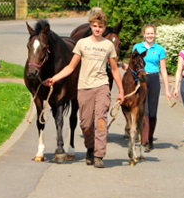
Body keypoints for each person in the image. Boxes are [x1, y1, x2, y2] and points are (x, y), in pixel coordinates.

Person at [44, 11, 124, 168]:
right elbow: (71, 66)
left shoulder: (108, 45)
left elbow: (114, 69)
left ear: (104, 28)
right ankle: (90, 148)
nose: (97, 29)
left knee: (100, 120)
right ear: (91, 27)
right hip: (84, 88)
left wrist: (121, 91)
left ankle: (99, 155)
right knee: (86, 125)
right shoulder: (82, 43)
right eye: (94, 26)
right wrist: (55, 78)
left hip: (102, 86)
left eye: (100, 26)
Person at [132, 24, 171, 152]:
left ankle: (150, 137)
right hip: (141, 79)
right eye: (147, 33)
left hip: (154, 79)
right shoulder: (137, 47)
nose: (150, 35)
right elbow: (133, 65)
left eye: (152, 33)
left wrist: (167, 89)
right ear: (144, 34)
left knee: (153, 113)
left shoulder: (159, 49)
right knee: (145, 112)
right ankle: (145, 142)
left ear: (154, 34)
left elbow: (163, 70)